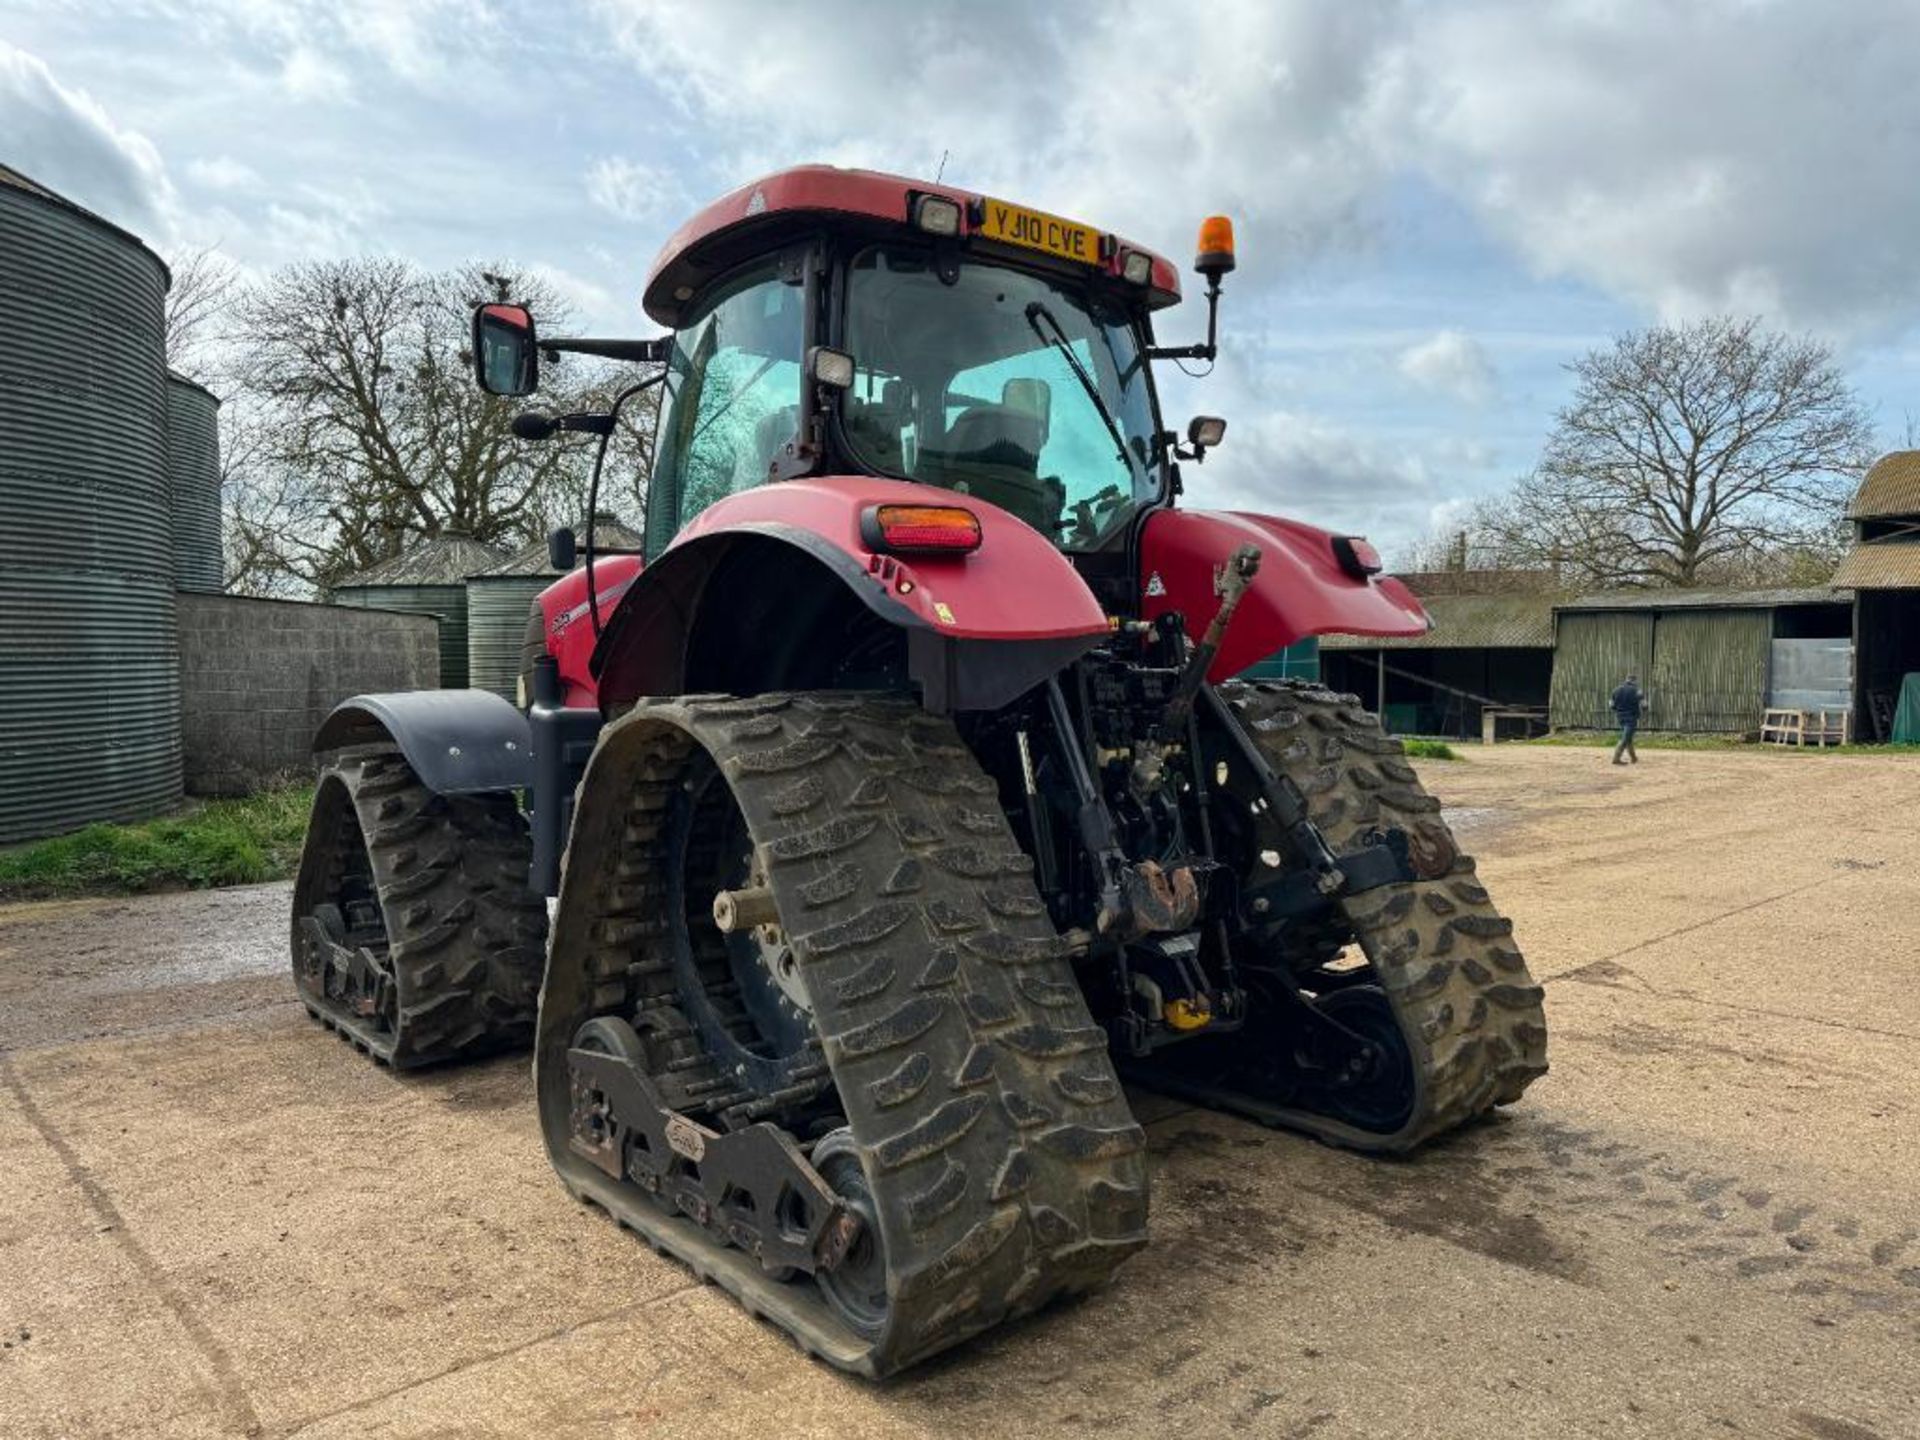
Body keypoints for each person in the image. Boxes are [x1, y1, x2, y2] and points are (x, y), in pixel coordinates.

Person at [1611, 673, 1643, 765]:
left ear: (1626, 679)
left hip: (1620, 717)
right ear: (1634, 681)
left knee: (1628, 737)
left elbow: (1612, 705)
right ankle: (1616, 758)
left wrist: (1620, 710)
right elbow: (1644, 705)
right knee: (1625, 738)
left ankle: (1634, 758)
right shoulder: (1637, 690)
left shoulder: (1616, 690)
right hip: (1631, 717)